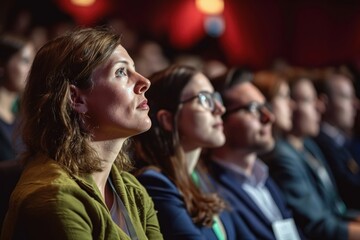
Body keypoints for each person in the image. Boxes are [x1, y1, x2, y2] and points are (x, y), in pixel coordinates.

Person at [1, 27, 163, 240]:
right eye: (121, 72)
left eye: (134, 69)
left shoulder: (132, 191)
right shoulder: (54, 197)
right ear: (76, 99)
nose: (145, 82)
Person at [131, 64, 253, 239]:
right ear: (167, 119)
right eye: (204, 99)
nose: (220, 109)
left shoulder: (201, 176)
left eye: (215, 97)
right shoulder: (154, 183)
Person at [207, 68, 303, 240]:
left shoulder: (264, 177)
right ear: (220, 118)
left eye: (265, 107)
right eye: (253, 108)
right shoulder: (212, 193)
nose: (269, 117)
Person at [266, 74, 360, 240]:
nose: (319, 107)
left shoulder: (309, 145)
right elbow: (317, 225)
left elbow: (335, 209)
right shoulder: (283, 156)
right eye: (308, 100)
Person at [313, 68, 360, 210]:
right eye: (346, 97)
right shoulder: (320, 144)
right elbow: (350, 189)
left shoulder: (341, 140)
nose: (355, 104)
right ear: (324, 103)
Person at [0, 33, 35, 162]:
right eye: (25, 61)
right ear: (3, 64)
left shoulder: (22, 119)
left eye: (33, 62)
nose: (31, 69)